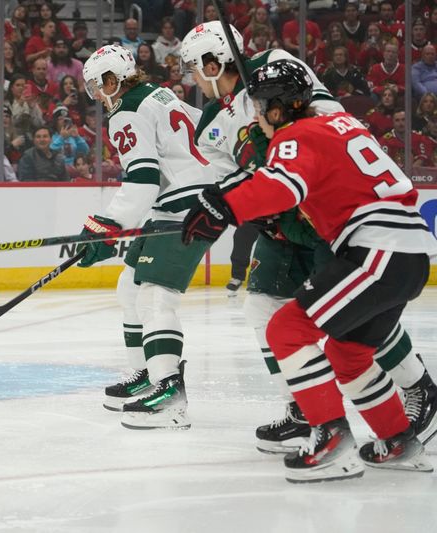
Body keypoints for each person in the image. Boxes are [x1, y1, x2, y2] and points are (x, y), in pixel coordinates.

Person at [180, 21, 437, 453]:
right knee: (263, 307)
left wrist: (237, 199)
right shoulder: (208, 124)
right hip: (283, 223)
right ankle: (305, 410)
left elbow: (316, 126)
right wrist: (231, 203)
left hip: (325, 216)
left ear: (213, 60)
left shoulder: (276, 71)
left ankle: (417, 387)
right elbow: (230, 177)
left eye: (194, 67)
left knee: (346, 319)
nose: (191, 77)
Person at [77, 44, 232, 429]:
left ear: (113, 80)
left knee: (156, 297)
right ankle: (148, 372)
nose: (96, 95)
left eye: (98, 86)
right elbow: (206, 132)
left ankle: (169, 395)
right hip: (184, 200)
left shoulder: (126, 110)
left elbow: (143, 179)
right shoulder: (159, 94)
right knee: (129, 286)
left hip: (185, 206)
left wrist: (105, 225)